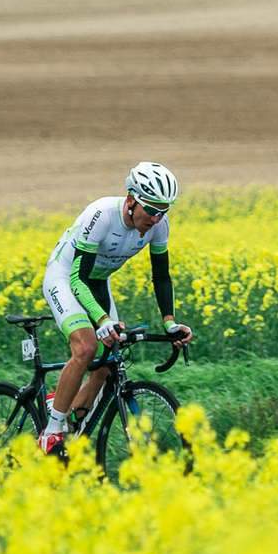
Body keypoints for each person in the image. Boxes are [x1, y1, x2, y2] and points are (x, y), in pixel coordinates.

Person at [38, 162, 194, 454]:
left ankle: (70, 418)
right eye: (152, 209)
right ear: (132, 200)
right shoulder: (101, 215)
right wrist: (101, 320)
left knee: (110, 359)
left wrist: (170, 323)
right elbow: (77, 279)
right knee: (86, 347)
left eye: (164, 211)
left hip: (98, 282)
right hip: (66, 277)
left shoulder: (159, 226)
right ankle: (51, 431)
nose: (156, 218)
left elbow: (161, 276)